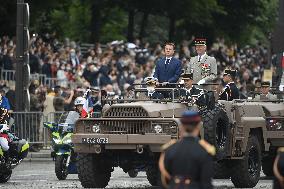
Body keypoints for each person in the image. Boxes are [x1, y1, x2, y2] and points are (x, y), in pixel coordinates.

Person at [159, 110, 215, 189]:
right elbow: (206, 184)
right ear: (198, 127)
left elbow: (164, 182)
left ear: (181, 127)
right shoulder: (205, 151)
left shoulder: (169, 149)